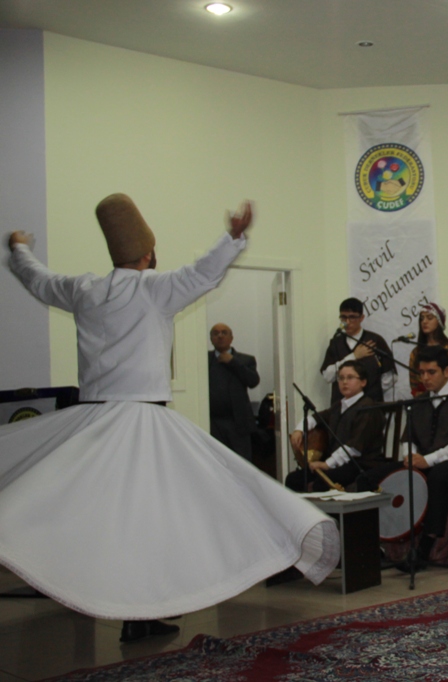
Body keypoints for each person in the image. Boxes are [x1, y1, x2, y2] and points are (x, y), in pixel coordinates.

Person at [2, 195, 339, 643]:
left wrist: (20, 248)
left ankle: (133, 611)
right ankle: (137, 611)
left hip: (96, 421)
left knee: (106, 518)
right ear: (147, 253)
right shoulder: (154, 288)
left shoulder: (84, 290)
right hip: (141, 423)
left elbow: (39, 280)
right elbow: (202, 272)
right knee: (152, 519)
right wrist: (233, 235)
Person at [362, 345, 448, 572]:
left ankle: (424, 549)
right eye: (421, 373)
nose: (425, 378)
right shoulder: (418, 401)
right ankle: (372, 547)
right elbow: (408, 437)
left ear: (446, 372)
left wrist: (429, 460)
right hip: (419, 460)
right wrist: (411, 458)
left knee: (438, 478)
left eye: (431, 372)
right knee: (366, 479)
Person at [284, 360, 386, 493]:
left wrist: (327, 464)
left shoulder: (368, 408)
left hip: (361, 464)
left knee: (322, 482)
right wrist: (299, 429)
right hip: (339, 463)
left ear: (363, 382)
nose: (344, 382)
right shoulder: (339, 406)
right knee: (293, 479)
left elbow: (354, 447)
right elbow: (316, 418)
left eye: (350, 377)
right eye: (341, 378)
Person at [320, 298, 395, 403]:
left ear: (361, 318)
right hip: (341, 406)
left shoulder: (375, 341)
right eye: (343, 317)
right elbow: (327, 376)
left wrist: (370, 391)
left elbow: (390, 376)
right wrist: (353, 356)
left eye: (352, 317)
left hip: (371, 406)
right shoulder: (336, 343)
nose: (347, 322)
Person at [208, 322, 261, 459]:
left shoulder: (245, 359)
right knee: (216, 462)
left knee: (241, 464)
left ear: (231, 338)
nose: (220, 336)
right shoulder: (204, 360)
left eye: (224, 333)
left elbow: (253, 381)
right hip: (212, 423)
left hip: (238, 424)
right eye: (216, 333)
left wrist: (232, 362)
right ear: (211, 339)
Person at [408, 302, 448, 395]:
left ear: (439, 322)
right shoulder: (416, 352)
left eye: (429, 318)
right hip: (424, 404)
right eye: (422, 318)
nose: (424, 321)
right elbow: (414, 386)